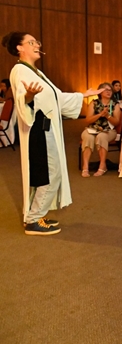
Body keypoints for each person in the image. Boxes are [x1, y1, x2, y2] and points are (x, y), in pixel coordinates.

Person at [3, 31, 103, 235]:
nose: (37, 45)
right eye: (31, 42)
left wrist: (83, 95)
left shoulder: (35, 72)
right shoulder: (19, 71)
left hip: (46, 129)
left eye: (37, 41)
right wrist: (29, 96)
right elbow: (23, 100)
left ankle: (35, 215)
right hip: (38, 129)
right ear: (19, 48)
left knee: (46, 172)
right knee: (49, 172)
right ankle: (33, 220)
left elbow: (57, 96)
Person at [80, 82, 121, 177]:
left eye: (110, 90)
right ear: (100, 92)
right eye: (106, 90)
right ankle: (85, 167)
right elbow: (88, 120)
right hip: (92, 128)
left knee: (101, 137)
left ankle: (102, 166)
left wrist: (107, 116)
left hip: (109, 130)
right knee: (88, 137)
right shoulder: (94, 103)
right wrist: (99, 114)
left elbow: (116, 122)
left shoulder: (115, 104)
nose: (108, 92)